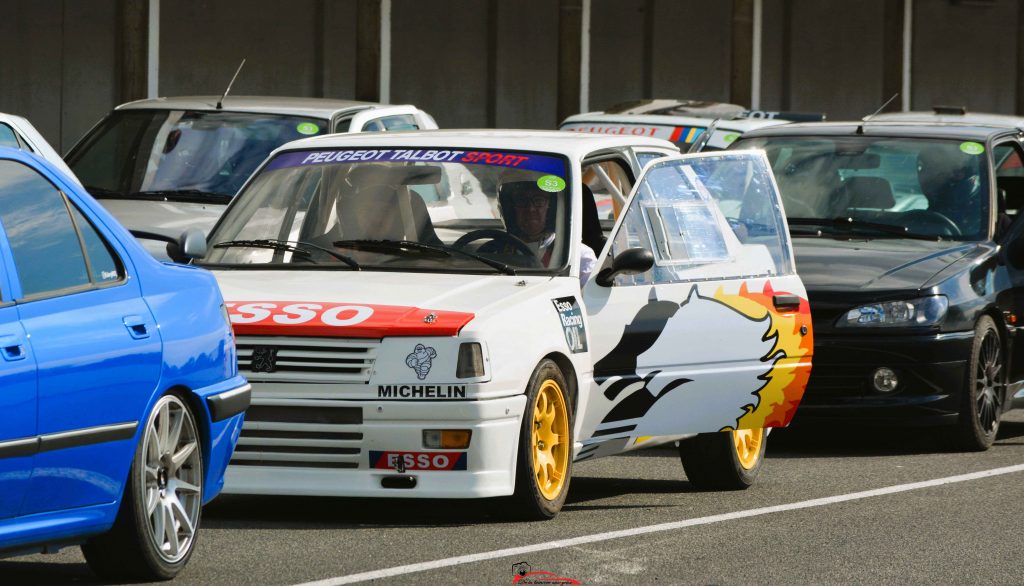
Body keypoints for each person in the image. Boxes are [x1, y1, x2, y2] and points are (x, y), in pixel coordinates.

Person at [500, 180, 597, 285]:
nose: (530, 209)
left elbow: (591, 297)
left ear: (551, 208)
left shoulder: (578, 255)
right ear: (511, 208)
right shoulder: (496, 251)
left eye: (539, 201)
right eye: (521, 200)